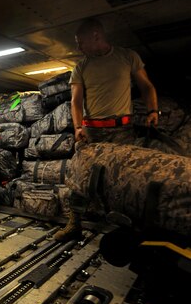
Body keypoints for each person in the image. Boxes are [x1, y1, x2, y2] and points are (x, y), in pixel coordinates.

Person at [54, 17, 159, 242]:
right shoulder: (81, 66)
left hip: (122, 131)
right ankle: (75, 224)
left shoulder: (127, 56)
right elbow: (76, 101)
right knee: (79, 175)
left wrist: (153, 111)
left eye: (80, 41)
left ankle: (130, 230)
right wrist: (77, 127)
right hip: (92, 132)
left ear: (95, 35)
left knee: (126, 178)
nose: (78, 47)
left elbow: (147, 86)